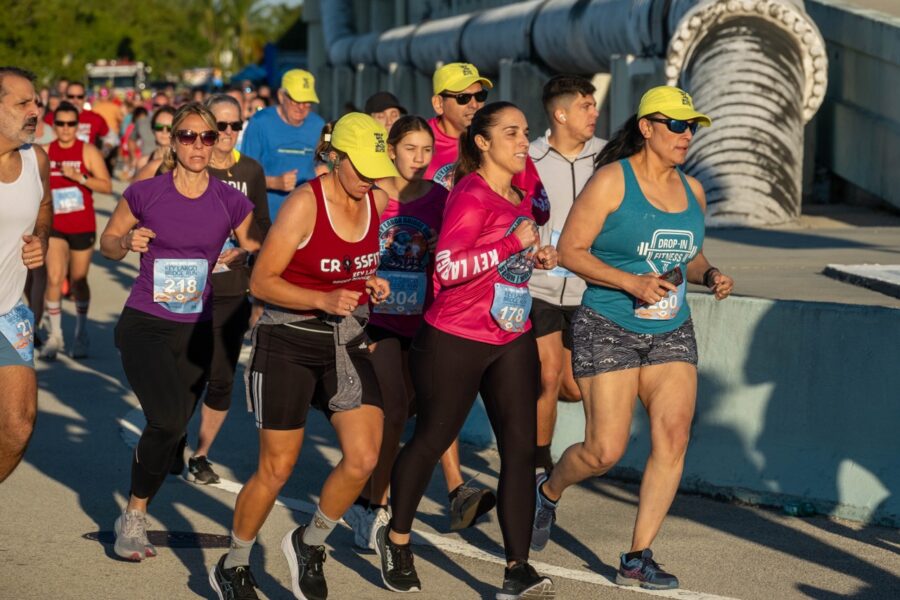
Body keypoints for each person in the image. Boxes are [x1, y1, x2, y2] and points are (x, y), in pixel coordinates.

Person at [531, 86, 734, 590]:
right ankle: (549, 490)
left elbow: (690, 252)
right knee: (604, 452)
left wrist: (709, 275)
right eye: (677, 125)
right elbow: (573, 251)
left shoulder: (694, 191)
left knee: (674, 433)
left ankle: (637, 556)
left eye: (692, 127)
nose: (687, 135)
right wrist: (631, 282)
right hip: (609, 324)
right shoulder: (611, 182)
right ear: (647, 127)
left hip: (670, 328)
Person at [208, 113, 394, 600]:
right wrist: (322, 298)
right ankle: (235, 561)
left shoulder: (376, 199)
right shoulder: (303, 205)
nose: (371, 178)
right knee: (277, 468)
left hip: (344, 343)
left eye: (378, 168)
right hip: (287, 341)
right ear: (336, 159)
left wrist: (369, 284)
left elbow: (351, 271)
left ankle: (309, 542)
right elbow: (261, 282)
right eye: (363, 168)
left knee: (364, 458)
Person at [376, 102, 557, 600]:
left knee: (520, 452)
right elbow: (447, 270)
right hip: (454, 339)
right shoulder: (470, 195)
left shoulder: (517, 195)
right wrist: (508, 245)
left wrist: (533, 253)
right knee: (432, 438)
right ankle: (397, 539)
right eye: (512, 133)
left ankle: (517, 568)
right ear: (482, 142)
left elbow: (508, 256)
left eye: (525, 132)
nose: (524, 141)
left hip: (510, 335)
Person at [100, 102, 259, 561]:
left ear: (216, 143)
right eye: (187, 136)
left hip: (197, 330)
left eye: (206, 137)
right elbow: (108, 243)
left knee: (173, 429)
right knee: (167, 421)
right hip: (146, 323)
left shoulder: (230, 200)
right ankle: (133, 517)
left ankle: (147, 486)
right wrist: (126, 241)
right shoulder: (146, 193)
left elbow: (257, 244)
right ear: (172, 141)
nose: (197, 145)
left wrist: (242, 256)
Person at [342, 115, 450, 550]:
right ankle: (372, 505)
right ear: (391, 150)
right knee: (392, 410)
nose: (420, 159)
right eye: (411, 149)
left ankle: (368, 492)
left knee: (406, 409)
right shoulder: (376, 194)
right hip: (378, 319)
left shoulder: (440, 197)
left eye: (427, 150)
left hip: (423, 320)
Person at [183, 93, 270, 485]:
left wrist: (248, 260)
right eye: (222, 126)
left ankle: (201, 454)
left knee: (221, 377)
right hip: (186, 288)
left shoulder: (250, 171)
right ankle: (170, 438)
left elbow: (263, 227)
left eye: (237, 125)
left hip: (232, 288)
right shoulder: (187, 167)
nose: (229, 133)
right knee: (185, 372)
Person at [528, 75, 605, 474]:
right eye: (585, 106)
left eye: (593, 105)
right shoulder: (529, 158)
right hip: (539, 287)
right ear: (560, 114)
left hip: (586, 288)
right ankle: (540, 465)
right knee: (548, 374)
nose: (595, 113)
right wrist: (532, 250)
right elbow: (516, 217)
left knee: (572, 387)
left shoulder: (607, 158)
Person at [0, 66, 52, 484]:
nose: (35, 110)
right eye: (23, 103)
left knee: (18, 426)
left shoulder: (37, 159)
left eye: (35, 101)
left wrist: (41, 238)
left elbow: (45, 207)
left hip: (9, 312)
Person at [39, 101, 112, 360]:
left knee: (79, 281)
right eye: (61, 123)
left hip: (82, 225)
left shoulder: (87, 151)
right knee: (55, 277)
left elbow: (106, 186)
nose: (66, 129)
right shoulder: (45, 151)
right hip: (56, 225)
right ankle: (56, 335)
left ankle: (81, 332)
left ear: (77, 125)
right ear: (54, 125)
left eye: (71, 124)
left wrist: (79, 178)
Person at [241, 69, 325, 220]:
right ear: (281, 96)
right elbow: (244, 175)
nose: (301, 107)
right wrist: (274, 182)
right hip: (267, 220)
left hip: (307, 218)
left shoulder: (319, 125)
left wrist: (325, 172)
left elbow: (325, 165)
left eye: (307, 102)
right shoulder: (259, 123)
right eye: (296, 100)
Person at [43, 82, 110, 146]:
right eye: (71, 96)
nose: (75, 100)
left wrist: (103, 152)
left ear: (85, 98)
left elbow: (110, 138)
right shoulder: (51, 117)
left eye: (79, 97)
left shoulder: (95, 118)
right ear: (65, 97)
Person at [133, 106, 176, 180]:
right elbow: (134, 190)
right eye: (159, 127)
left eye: (169, 128)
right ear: (153, 129)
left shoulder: (181, 164)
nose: (164, 131)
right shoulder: (143, 162)